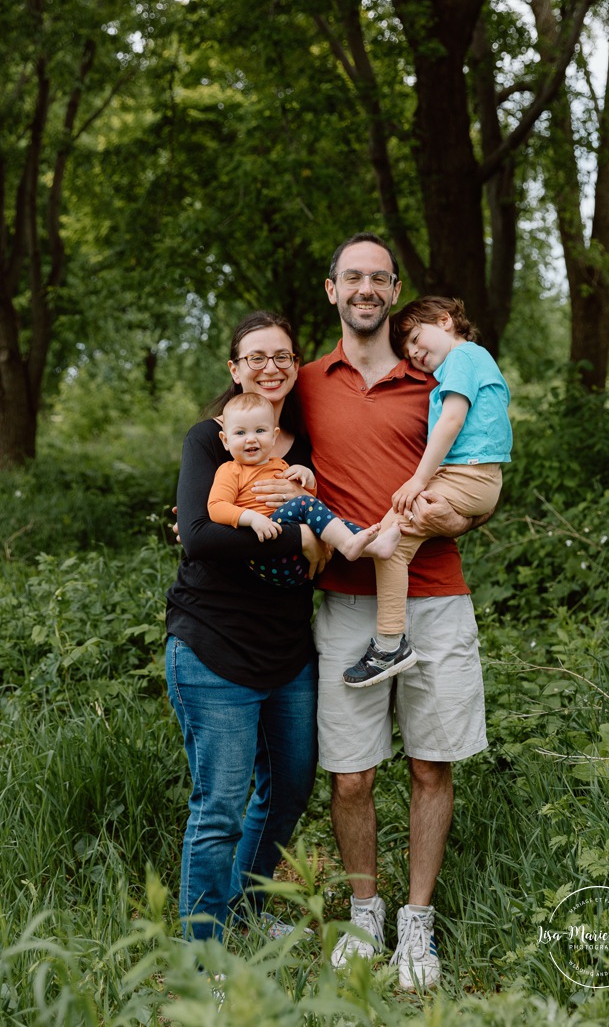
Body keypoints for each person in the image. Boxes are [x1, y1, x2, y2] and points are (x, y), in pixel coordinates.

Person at [251, 233, 491, 990]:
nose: (364, 289)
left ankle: (416, 925)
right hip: (348, 604)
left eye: (377, 278)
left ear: (393, 291)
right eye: (351, 277)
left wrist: (468, 514)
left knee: (430, 764)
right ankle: (366, 912)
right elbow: (250, 445)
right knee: (350, 776)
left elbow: (481, 465)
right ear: (331, 290)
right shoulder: (307, 381)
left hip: (436, 596)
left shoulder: (437, 375)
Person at [165, 310, 326, 945]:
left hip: (288, 647)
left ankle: (248, 914)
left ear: (295, 365)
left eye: (283, 355)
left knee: (287, 791)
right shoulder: (211, 440)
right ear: (235, 370)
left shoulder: (307, 442)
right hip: (213, 645)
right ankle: (202, 953)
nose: (270, 367)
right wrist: (300, 535)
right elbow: (199, 539)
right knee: (220, 810)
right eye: (255, 357)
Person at [343, 295, 512, 688]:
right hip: (472, 477)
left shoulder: (463, 358)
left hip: (469, 475)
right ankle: (386, 631)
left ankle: (389, 644)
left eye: (418, 339)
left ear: (446, 320)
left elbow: (452, 421)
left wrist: (419, 479)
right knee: (391, 541)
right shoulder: (461, 364)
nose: (416, 353)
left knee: (390, 542)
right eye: (408, 351)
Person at [207, 392, 401, 581]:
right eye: (240, 432)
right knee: (306, 505)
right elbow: (216, 507)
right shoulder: (231, 471)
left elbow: (311, 508)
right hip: (265, 554)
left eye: (260, 431)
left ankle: (375, 547)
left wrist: (308, 480)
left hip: (300, 560)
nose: (251, 439)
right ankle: (349, 546)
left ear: (274, 436)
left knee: (329, 518)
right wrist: (251, 519)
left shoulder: (281, 466)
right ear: (225, 440)